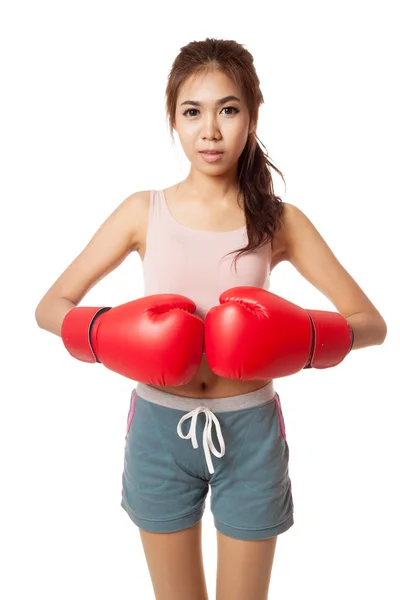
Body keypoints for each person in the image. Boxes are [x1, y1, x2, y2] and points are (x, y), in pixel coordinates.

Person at [35, 38, 387, 600]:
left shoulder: (279, 221)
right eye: (192, 112)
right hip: (158, 428)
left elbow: (370, 322)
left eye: (228, 109)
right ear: (172, 119)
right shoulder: (140, 211)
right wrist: (113, 334)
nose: (211, 131)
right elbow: (49, 307)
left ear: (252, 114)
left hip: (248, 430)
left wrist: (302, 336)